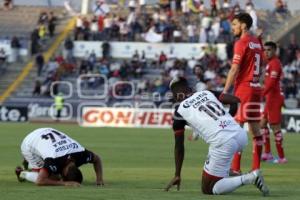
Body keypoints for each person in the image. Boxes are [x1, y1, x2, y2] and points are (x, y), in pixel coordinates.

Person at [165, 77, 269, 196]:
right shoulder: (207, 92)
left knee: (208, 188)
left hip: (223, 142)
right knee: (218, 163)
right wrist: (227, 120)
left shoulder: (179, 111)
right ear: (189, 88)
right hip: (240, 134)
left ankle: (250, 178)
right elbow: (235, 100)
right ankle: (227, 172)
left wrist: (177, 174)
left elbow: (179, 147)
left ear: (176, 96)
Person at [222, 13, 264, 175]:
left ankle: (235, 168)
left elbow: (234, 68)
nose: (232, 28)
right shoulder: (257, 42)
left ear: (243, 26)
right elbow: (260, 67)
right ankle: (256, 169)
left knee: (235, 128)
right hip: (255, 88)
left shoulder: (242, 42)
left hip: (244, 88)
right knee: (255, 130)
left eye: (235, 24)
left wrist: (225, 91)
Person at [15, 127, 104, 186]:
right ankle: (22, 173)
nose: (61, 175)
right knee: (53, 178)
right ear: (64, 173)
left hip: (46, 130)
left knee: (51, 172)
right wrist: (63, 183)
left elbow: (97, 159)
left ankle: (29, 162)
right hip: (29, 143)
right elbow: (40, 181)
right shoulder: (54, 160)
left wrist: (99, 180)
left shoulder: (81, 154)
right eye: (63, 176)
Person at [260, 41, 287, 163]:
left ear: (275, 51)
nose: (266, 52)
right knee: (262, 124)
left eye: (269, 50)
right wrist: (259, 40)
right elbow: (258, 53)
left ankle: (282, 157)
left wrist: (261, 94)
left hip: (274, 99)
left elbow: (271, 83)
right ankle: (267, 153)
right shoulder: (270, 62)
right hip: (270, 98)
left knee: (275, 127)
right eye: (265, 50)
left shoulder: (275, 63)